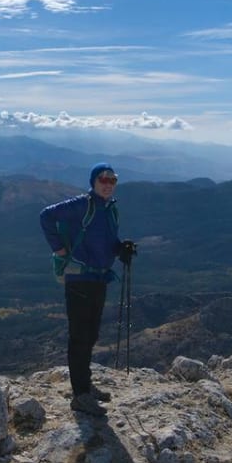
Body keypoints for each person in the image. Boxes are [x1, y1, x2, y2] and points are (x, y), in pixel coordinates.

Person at [40, 163, 136, 417]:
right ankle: (80, 395)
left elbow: (107, 241)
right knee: (80, 336)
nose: (107, 183)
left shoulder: (109, 209)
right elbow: (46, 216)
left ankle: (85, 386)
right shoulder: (83, 204)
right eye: (103, 179)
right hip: (79, 277)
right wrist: (59, 249)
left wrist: (120, 249)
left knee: (90, 334)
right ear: (93, 182)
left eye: (112, 180)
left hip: (98, 278)